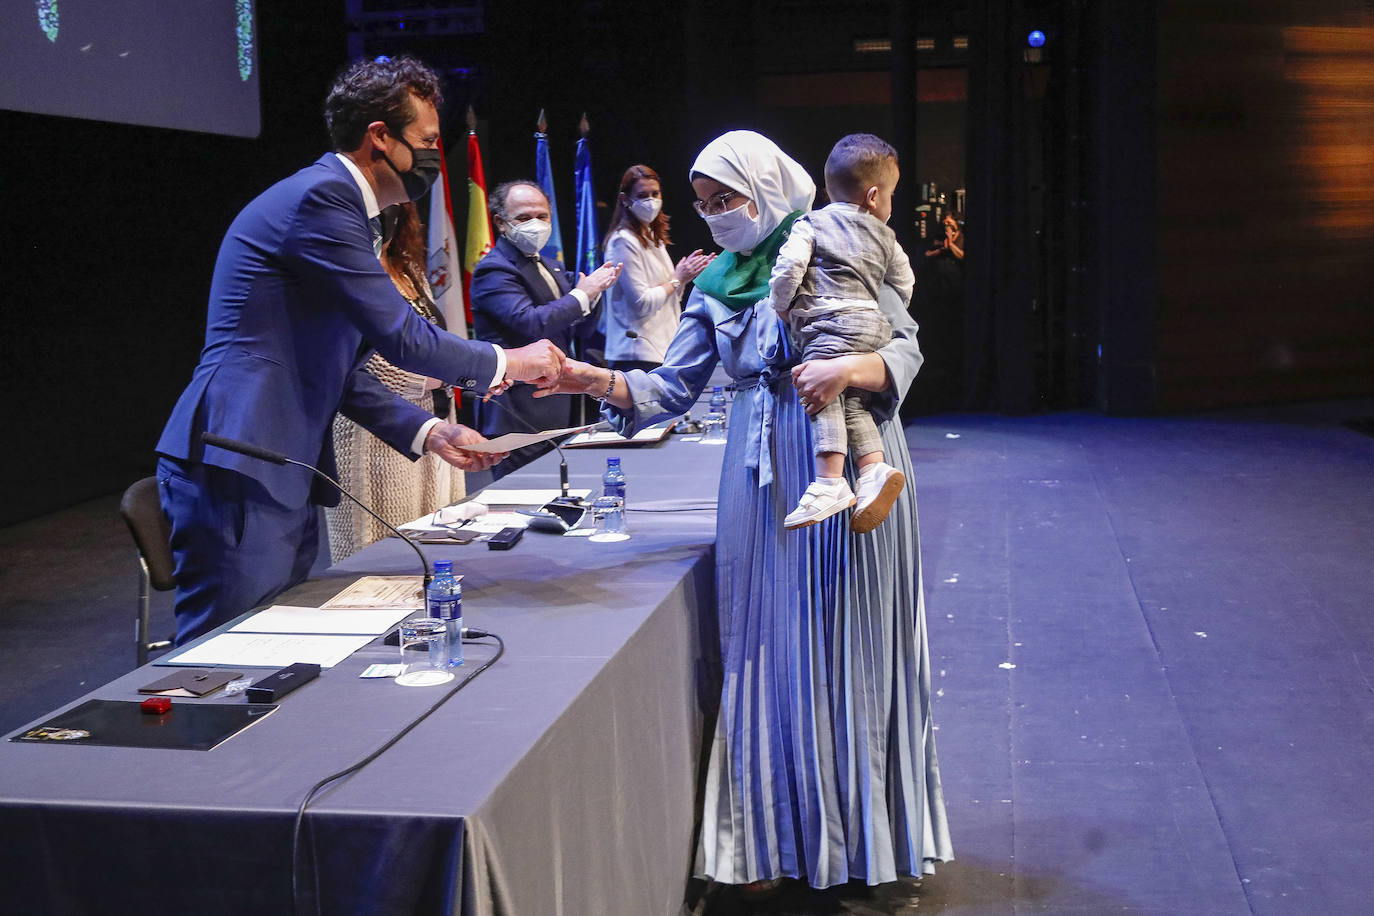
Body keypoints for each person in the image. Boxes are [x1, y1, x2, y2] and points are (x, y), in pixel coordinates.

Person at [540, 130, 952, 893]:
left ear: (764, 186)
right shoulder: (715, 284)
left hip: (851, 456)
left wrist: (843, 368)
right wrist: (586, 377)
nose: (713, 215)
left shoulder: (832, 233)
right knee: (769, 642)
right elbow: (667, 389)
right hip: (759, 473)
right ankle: (776, 837)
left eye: (724, 199)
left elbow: (907, 348)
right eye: (701, 204)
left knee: (846, 634)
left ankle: (864, 840)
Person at [155, 56, 564, 644]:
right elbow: (402, 335)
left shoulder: (348, 211)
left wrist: (429, 432)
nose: (432, 155)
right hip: (237, 453)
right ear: (380, 137)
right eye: (425, 140)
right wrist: (510, 361)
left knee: (270, 646)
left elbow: (342, 370)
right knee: (224, 658)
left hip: (273, 461)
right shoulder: (323, 200)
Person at [766, 133, 914, 533]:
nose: (890, 203)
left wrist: (782, 303)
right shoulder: (887, 236)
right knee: (853, 404)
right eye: (891, 194)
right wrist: (874, 307)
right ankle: (872, 470)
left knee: (821, 394)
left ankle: (829, 482)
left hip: (828, 323)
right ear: (872, 196)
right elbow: (904, 284)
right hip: (873, 324)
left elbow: (788, 269)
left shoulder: (812, 223)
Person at [325, 202, 465, 561]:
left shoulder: (410, 269)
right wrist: (444, 373)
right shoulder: (347, 272)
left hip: (433, 417)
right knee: (384, 557)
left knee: (438, 545)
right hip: (374, 433)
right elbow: (367, 364)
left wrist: (454, 371)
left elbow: (434, 340)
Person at [469, 180, 621, 472]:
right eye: (524, 218)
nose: (536, 224)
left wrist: (595, 294)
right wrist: (582, 294)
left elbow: (574, 330)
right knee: (522, 500)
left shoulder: (549, 265)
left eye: (542, 216)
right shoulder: (494, 269)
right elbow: (531, 323)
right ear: (501, 222)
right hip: (516, 411)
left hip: (557, 402)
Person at [602, 164, 714, 372]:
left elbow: (669, 299)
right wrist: (676, 279)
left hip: (663, 349)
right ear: (625, 199)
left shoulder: (653, 238)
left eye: (655, 193)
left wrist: (684, 276)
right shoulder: (622, 241)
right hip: (636, 354)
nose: (651, 201)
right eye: (643, 195)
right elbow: (642, 303)